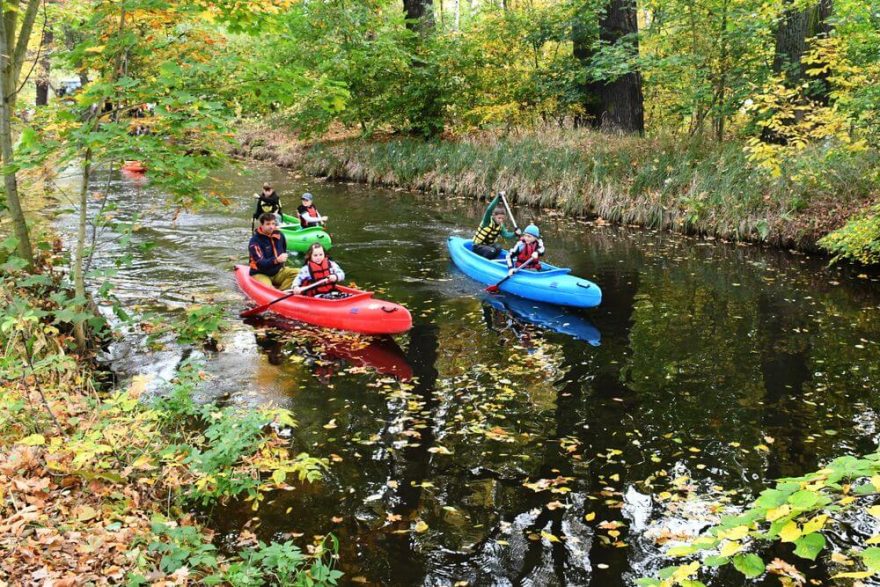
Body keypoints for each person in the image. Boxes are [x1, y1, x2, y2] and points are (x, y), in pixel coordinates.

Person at [248, 213, 297, 290]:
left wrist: (281, 264)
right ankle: (274, 292)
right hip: (260, 273)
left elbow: (283, 251)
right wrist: (276, 260)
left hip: (277, 272)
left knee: (298, 273)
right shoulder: (254, 241)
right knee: (268, 289)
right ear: (261, 224)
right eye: (268, 224)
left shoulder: (280, 235)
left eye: (273, 223)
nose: (271, 226)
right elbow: (260, 263)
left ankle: (280, 292)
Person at [472, 194, 520, 259]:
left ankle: (492, 260)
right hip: (478, 246)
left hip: (488, 246)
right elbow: (489, 210)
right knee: (492, 251)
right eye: (499, 218)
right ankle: (483, 261)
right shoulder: (487, 221)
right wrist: (498, 198)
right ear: (494, 216)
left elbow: (506, 235)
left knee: (498, 247)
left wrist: (515, 234)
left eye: (502, 218)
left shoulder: (500, 226)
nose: (501, 220)